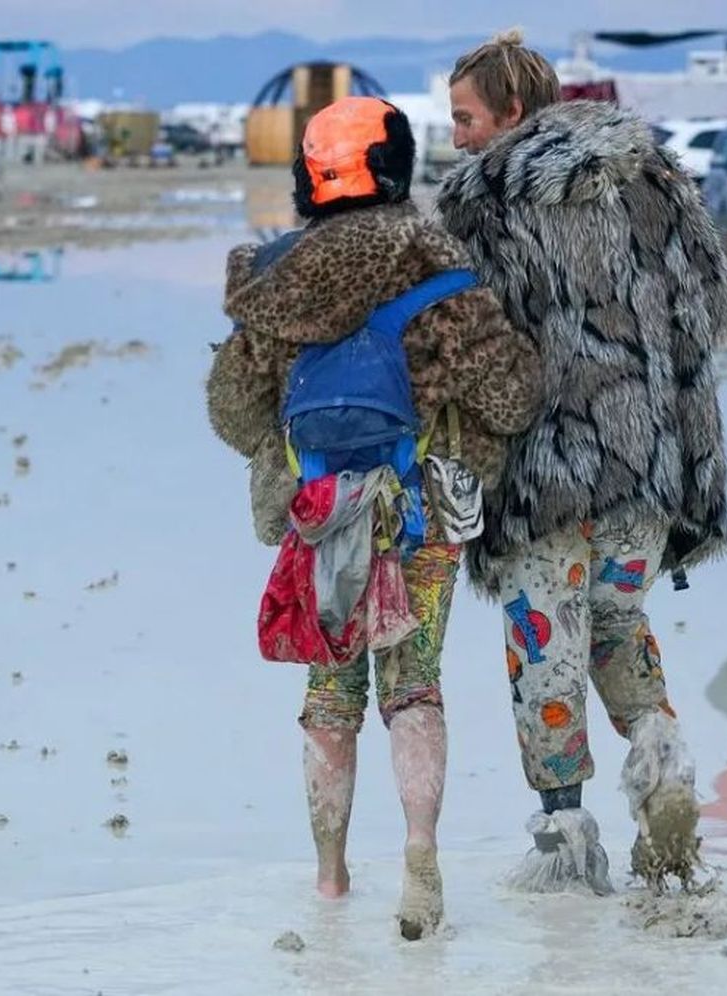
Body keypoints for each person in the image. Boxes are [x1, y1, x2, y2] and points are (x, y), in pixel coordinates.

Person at [206, 97, 540, 937]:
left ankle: (328, 882)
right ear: (394, 168)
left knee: (330, 692)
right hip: (420, 511)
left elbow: (232, 411)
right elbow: (511, 394)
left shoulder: (273, 279)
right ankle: (421, 858)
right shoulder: (437, 267)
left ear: (308, 176)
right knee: (414, 681)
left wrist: (299, 457)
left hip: (316, 516)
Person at [434, 30, 727, 891]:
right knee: (617, 626)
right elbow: (707, 310)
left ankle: (566, 836)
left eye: (464, 118)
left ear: (513, 112)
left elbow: (473, 351)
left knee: (545, 647)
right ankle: (664, 765)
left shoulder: (486, 201)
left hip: (544, 472)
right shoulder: (657, 178)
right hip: (649, 463)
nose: (455, 137)